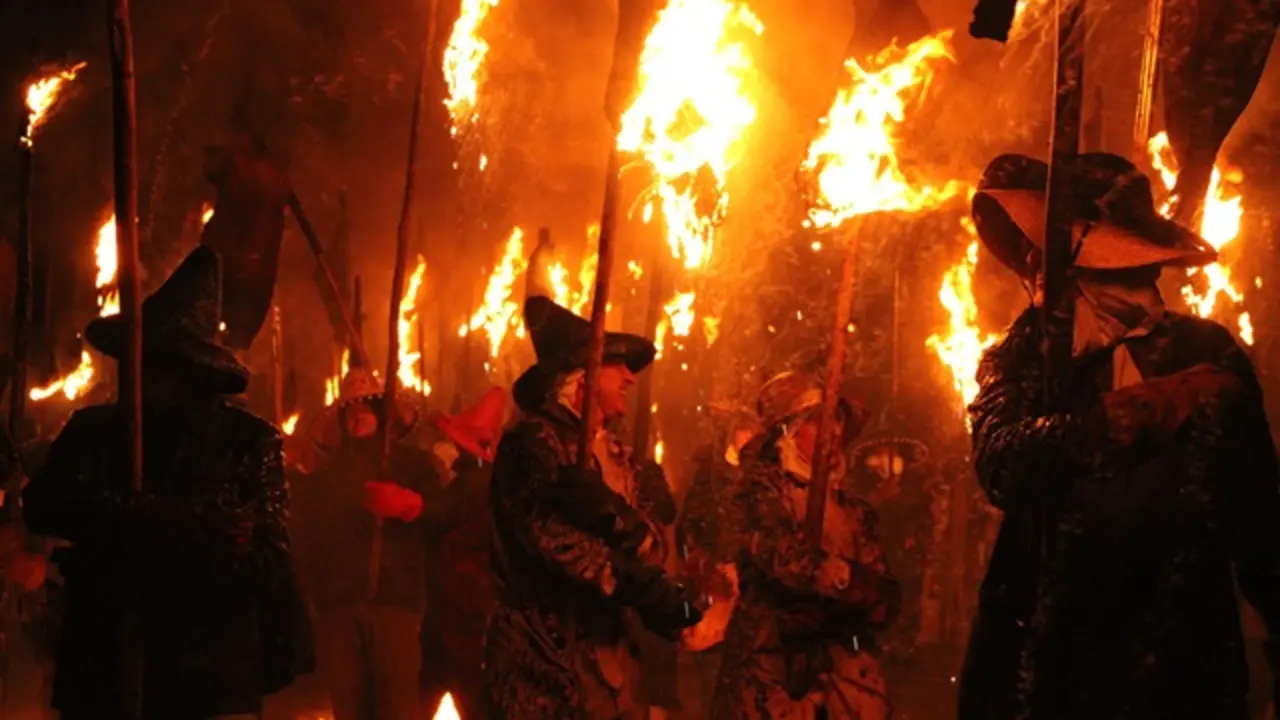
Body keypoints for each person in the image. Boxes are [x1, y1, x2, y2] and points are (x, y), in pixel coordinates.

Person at [957, 152, 1280, 719]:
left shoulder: (1208, 353)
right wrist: (1115, 419)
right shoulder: (1025, 354)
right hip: (1050, 661)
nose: (1034, 262)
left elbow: (1259, 522)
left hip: (1179, 659)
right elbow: (1001, 463)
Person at [23, 246, 311, 719]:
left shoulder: (247, 442)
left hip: (209, 677)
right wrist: (161, 520)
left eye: (156, 362)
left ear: (192, 370)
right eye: (137, 360)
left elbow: (267, 560)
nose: (139, 374)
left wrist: (208, 543)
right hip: (105, 669)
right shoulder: (95, 430)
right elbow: (48, 504)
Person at [483, 296, 702, 718]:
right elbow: (555, 542)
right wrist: (633, 579)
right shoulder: (532, 444)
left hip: (612, 667)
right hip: (545, 665)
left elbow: (653, 544)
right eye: (616, 366)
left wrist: (619, 522)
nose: (630, 379)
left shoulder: (620, 454)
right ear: (580, 378)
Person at [713, 370, 897, 719]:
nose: (836, 431)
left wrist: (873, 597)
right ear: (790, 432)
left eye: (839, 420)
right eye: (820, 421)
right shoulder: (762, 493)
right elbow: (780, 555)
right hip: (771, 667)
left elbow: (878, 583)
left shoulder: (854, 511)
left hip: (838, 668)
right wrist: (839, 579)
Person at [292, 360, 436, 720]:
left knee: (397, 709)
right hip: (338, 610)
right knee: (350, 710)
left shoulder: (413, 464)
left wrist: (413, 506)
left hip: (395, 606)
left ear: (382, 414)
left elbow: (442, 516)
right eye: (350, 411)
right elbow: (309, 532)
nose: (357, 416)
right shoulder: (327, 475)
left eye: (366, 408)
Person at [419, 386, 507, 718]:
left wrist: (418, 505)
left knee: (466, 697)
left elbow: (442, 516)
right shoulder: (471, 482)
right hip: (454, 610)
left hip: (467, 615)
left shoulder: (477, 485)